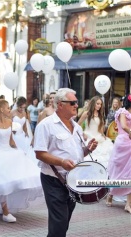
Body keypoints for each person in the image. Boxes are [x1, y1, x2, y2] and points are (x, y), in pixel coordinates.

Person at [34, 88, 98, 237]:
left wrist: (88, 149)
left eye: (76, 102)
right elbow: (39, 153)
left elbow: (77, 153)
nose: (77, 105)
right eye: (73, 102)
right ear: (60, 104)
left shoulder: (75, 126)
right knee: (59, 222)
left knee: (64, 221)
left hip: (72, 180)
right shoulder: (46, 125)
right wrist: (61, 162)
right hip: (53, 180)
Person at [106, 94, 131, 212]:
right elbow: (124, 126)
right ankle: (110, 194)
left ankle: (128, 204)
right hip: (123, 143)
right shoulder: (122, 112)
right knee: (118, 171)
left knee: (130, 172)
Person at [78, 96, 113, 168]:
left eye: (100, 104)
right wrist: (83, 133)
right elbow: (77, 125)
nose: (99, 106)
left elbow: (100, 128)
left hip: (99, 137)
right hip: (88, 137)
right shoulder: (86, 113)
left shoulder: (100, 114)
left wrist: (103, 135)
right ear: (93, 103)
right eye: (97, 104)